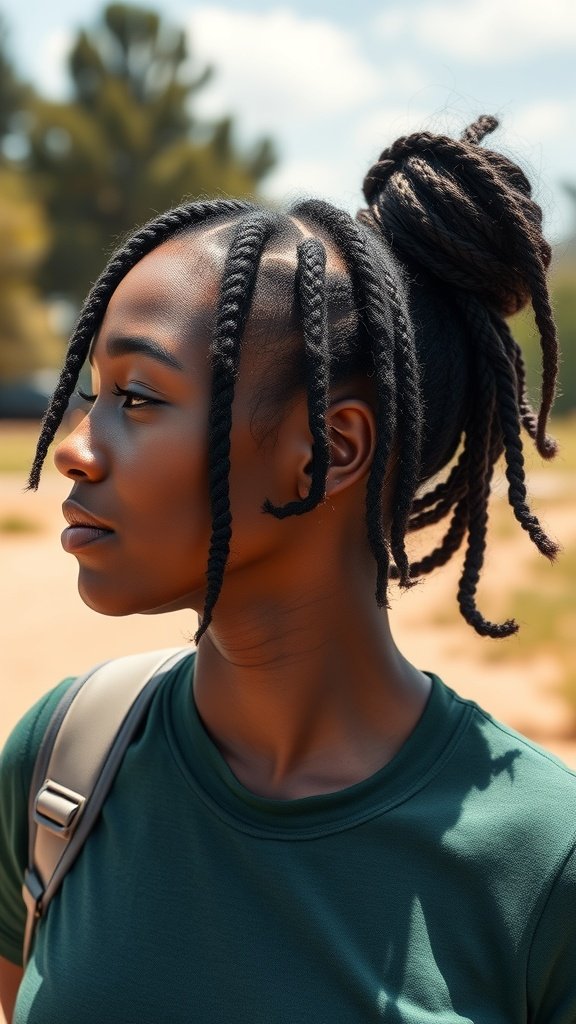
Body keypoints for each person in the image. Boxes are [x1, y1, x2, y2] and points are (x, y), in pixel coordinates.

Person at [0, 115, 575, 1023]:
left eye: (137, 398)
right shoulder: (60, 770)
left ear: (327, 451)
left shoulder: (545, 861)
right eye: (89, 395)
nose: (74, 450)